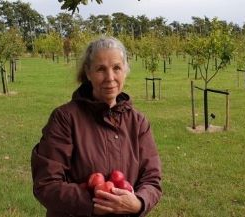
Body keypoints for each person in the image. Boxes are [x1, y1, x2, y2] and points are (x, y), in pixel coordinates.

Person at [31, 36, 162, 217]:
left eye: (116, 68)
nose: (110, 77)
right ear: (88, 72)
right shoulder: (65, 119)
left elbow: (152, 180)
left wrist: (139, 203)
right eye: (101, 69)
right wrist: (93, 204)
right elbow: (46, 184)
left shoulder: (138, 123)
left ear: (125, 70)